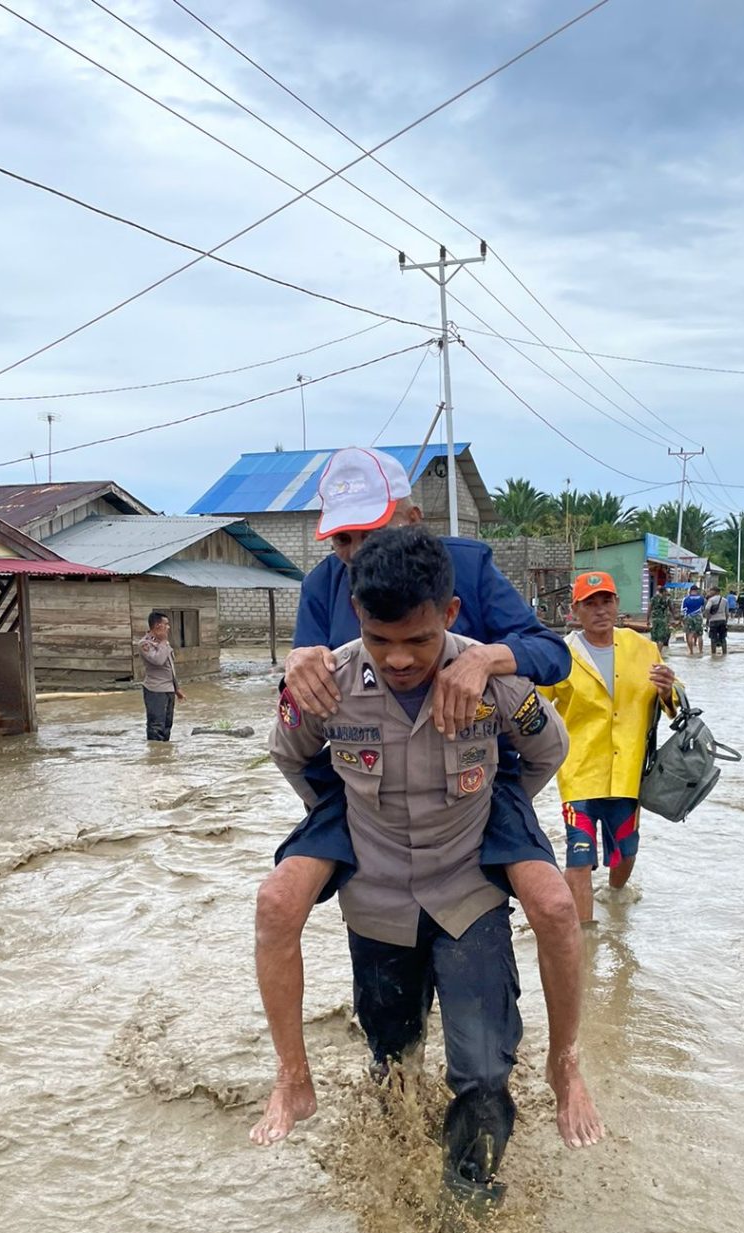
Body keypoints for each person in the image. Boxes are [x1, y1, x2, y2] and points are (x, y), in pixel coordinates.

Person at [258, 448, 601, 1149]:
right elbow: (291, 740)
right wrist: (340, 806)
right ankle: (303, 1085)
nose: (402, 657)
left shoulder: (469, 576)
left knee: (491, 1053)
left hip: (470, 810)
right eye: (342, 541)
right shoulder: (329, 592)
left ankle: (558, 1071)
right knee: (389, 1056)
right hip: (367, 811)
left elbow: (548, 701)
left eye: (369, 534)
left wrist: (484, 663)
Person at [540, 572, 680, 924]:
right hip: (579, 772)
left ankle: (616, 896)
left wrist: (667, 690)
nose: (600, 610)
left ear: (618, 605)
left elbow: (673, 703)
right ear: (574, 611)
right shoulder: (561, 655)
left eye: (606, 601)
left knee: (626, 853)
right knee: (579, 855)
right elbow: (536, 706)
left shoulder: (643, 648)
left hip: (628, 772)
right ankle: (584, 937)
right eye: (590, 604)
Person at [137, 610, 184, 741]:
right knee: (156, 726)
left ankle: (164, 754)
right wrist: (163, 642)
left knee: (167, 725)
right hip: (155, 690)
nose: (168, 627)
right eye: (166, 624)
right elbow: (158, 660)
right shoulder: (145, 644)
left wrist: (176, 688)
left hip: (168, 689)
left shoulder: (164, 642)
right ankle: (155, 755)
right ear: (158, 626)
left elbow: (170, 667)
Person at [681, 583, 705, 656]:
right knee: (700, 635)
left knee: (690, 635)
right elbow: (704, 608)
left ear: (690, 591)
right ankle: (700, 651)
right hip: (698, 617)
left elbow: (683, 610)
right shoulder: (701, 598)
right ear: (697, 591)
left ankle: (691, 652)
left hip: (689, 617)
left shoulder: (686, 599)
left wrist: (682, 619)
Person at [704, 584, 728, 654]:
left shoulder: (711, 600)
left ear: (715, 591)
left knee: (713, 638)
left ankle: (713, 654)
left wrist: (708, 617)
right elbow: (727, 613)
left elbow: (707, 608)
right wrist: (726, 621)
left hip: (713, 620)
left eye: (711, 591)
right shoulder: (724, 600)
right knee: (723, 638)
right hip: (722, 620)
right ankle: (724, 653)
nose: (710, 592)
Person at [648, 584, 673, 651]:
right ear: (663, 592)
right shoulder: (667, 599)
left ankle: (654, 652)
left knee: (654, 637)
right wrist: (674, 618)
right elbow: (671, 609)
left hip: (655, 620)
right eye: (666, 591)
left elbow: (649, 609)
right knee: (661, 638)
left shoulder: (653, 598)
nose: (667, 593)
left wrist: (647, 620)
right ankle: (659, 653)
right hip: (663, 620)